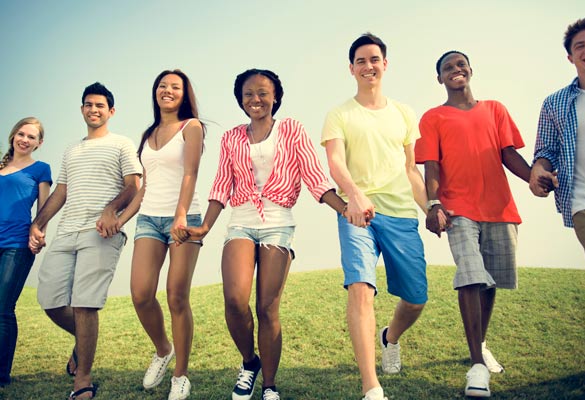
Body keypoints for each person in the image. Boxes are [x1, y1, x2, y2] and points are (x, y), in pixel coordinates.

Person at [176, 68, 348, 400]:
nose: (256, 99)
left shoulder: (292, 130)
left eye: (263, 93)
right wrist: (205, 226)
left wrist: (345, 208)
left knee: (267, 307)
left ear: (275, 97)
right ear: (241, 100)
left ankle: (269, 385)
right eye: (249, 94)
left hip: (278, 222)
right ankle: (249, 362)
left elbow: (314, 176)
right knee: (235, 300)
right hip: (240, 221)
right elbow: (222, 185)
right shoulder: (231, 138)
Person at [415, 51, 535, 397]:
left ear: (471, 70)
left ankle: (480, 342)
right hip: (457, 209)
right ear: (440, 78)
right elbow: (431, 166)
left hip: (499, 207)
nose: (456, 70)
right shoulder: (433, 117)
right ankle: (476, 367)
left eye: (460, 64)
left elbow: (508, 154)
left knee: (490, 280)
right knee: (470, 274)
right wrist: (434, 204)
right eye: (447, 68)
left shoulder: (495, 109)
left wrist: (533, 179)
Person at [321, 33, 430, 400]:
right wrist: (353, 195)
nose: (369, 66)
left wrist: (429, 208)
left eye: (375, 59)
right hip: (357, 215)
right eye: (361, 61)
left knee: (416, 298)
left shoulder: (404, 113)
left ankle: (390, 337)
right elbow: (335, 161)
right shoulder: (339, 114)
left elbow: (412, 169)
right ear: (351, 69)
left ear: (385, 64)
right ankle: (372, 386)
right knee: (361, 290)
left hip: (401, 214)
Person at [28, 82, 142, 400]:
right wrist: (38, 223)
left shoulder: (121, 143)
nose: (94, 109)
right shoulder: (71, 150)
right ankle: (84, 342)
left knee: (84, 303)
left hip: (100, 233)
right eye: (88, 105)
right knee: (49, 299)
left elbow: (133, 185)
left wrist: (111, 210)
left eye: (100, 105)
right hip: (67, 230)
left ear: (111, 111)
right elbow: (61, 192)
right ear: (82, 110)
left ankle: (83, 379)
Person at [117, 69, 205, 400]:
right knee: (140, 293)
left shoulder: (191, 127)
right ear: (156, 92)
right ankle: (163, 349)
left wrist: (181, 215)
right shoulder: (149, 132)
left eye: (175, 87)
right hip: (149, 220)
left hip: (183, 217)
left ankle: (180, 375)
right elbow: (145, 187)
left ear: (185, 94)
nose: (167, 90)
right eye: (162, 86)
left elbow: (190, 173)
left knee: (176, 296)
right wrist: (123, 218)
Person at [529, 16, 585, 289]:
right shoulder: (555, 103)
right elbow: (547, 149)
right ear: (570, 57)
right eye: (580, 46)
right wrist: (538, 169)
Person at [0, 117, 51, 387]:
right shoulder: (0, 166)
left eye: (31, 137)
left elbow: (44, 209)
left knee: (3, 309)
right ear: (13, 135)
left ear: (39, 143)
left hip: (17, 245)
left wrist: (39, 232)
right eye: (21, 133)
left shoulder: (41, 169)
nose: (25, 139)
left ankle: (1, 375)